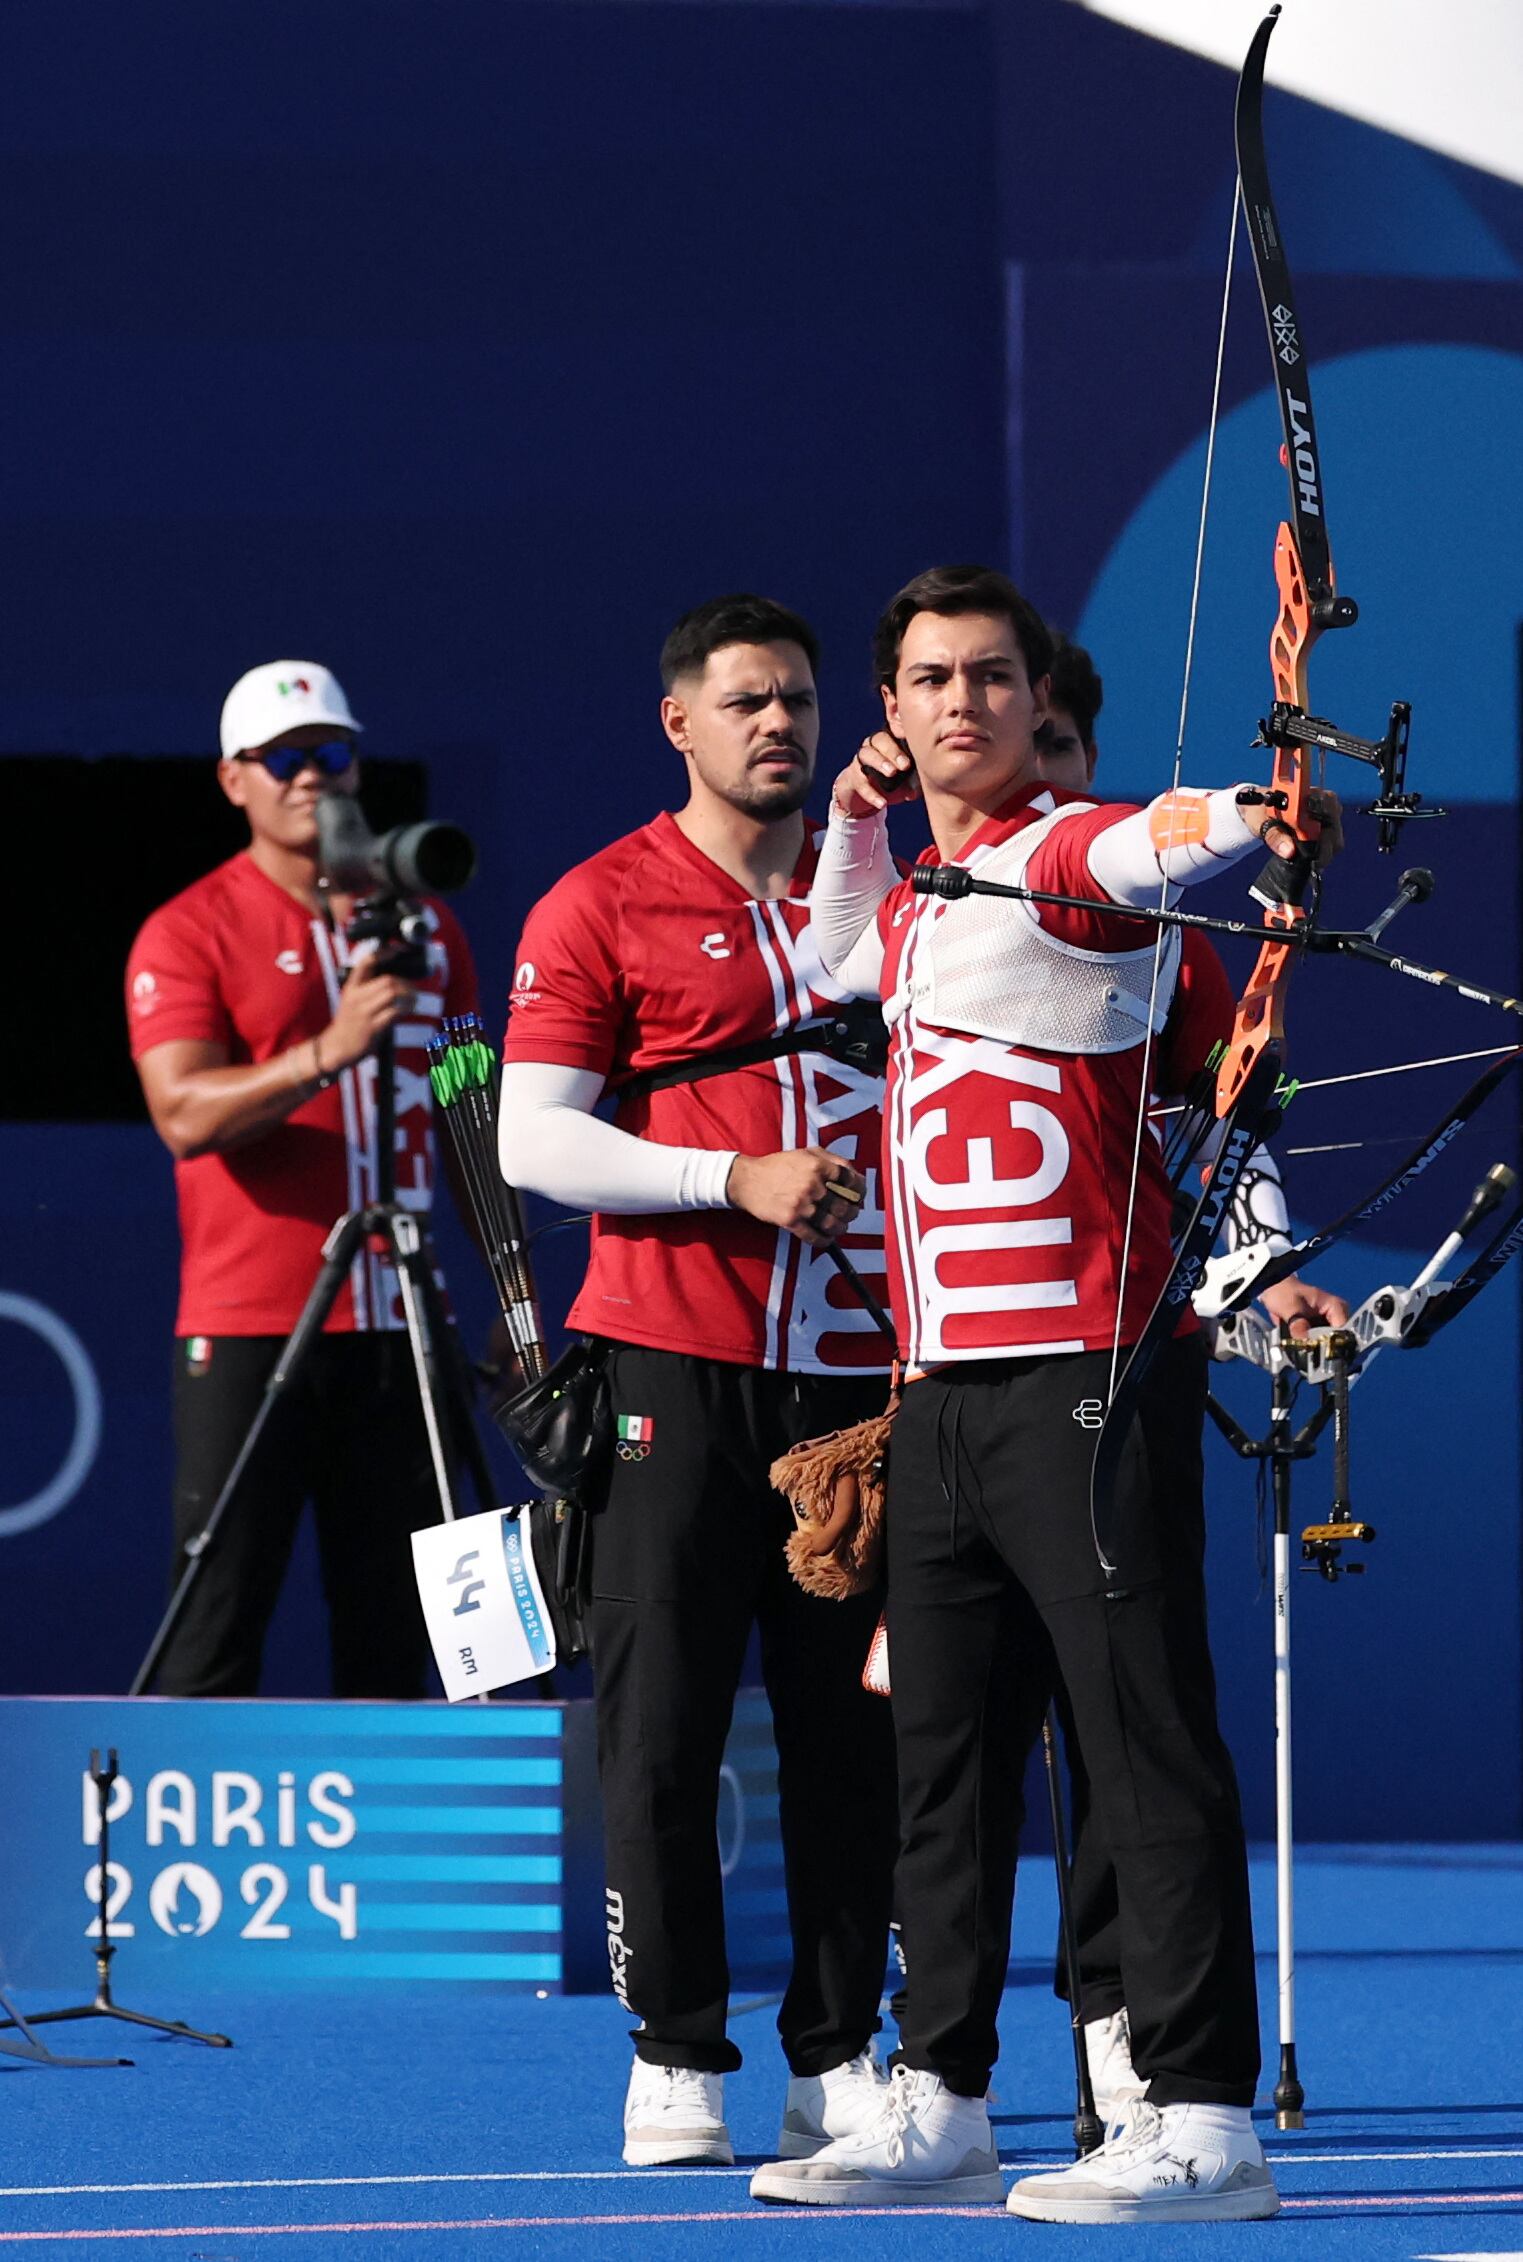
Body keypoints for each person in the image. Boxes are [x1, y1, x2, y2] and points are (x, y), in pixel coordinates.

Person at [750, 563, 1346, 2223]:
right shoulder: (922, 890)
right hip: (936, 1402)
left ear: (1032, 703)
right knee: (938, 1760)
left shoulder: (1060, 853)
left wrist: (1255, 807)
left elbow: (1148, 841)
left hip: (1081, 1383)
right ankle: (937, 2092)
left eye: (989, 677)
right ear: (888, 709)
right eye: (928, 678)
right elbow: (838, 950)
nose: (960, 702)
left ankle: (1203, 2117)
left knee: (1141, 1745)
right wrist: (865, 820)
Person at [498, 594, 899, 2172]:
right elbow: (533, 1136)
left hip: (854, 1376)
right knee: (658, 1725)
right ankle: (672, 2046)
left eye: (796, 698)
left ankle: (835, 2052)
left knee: (849, 1735)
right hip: (670, 1358)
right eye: (743, 701)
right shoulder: (597, 900)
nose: (776, 725)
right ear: (679, 720)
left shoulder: (874, 891)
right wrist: (733, 1178)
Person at [1035, 632, 1346, 2125]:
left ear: (1083, 766)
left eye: (1055, 750)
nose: (1032, 776)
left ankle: (1118, 2021)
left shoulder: (1165, 943)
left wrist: (1259, 1274)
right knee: (934, 1728)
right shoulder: (884, 927)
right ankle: (908, 2051)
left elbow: (1221, 1141)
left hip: (1110, 1368)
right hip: (928, 1372)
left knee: (1122, 1711)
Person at [126, 659, 478, 1699]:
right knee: (217, 1621)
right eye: (282, 759)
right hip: (253, 1328)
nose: (311, 777)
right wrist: (326, 1052)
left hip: (403, 1325)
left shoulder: (424, 924)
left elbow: (465, 1103)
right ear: (233, 779)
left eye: (331, 753)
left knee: (399, 1636)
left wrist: (508, 1303)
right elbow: (182, 1115)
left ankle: (387, 1860)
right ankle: (176, 1856)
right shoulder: (189, 928)